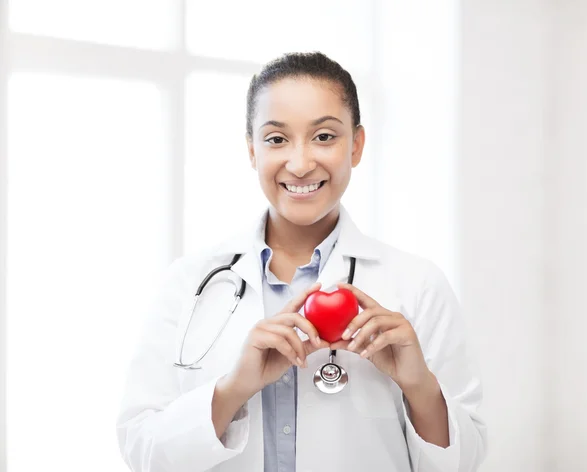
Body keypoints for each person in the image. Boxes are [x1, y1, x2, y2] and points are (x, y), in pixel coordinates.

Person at [116, 52, 487, 472]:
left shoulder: (417, 285)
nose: (300, 162)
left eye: (324, 136)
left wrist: (418, 384)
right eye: (276, 139)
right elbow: (144, 453)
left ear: (357, 145)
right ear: (252, 150)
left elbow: (464, 461)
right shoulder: (188, 284)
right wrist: (234, 389)